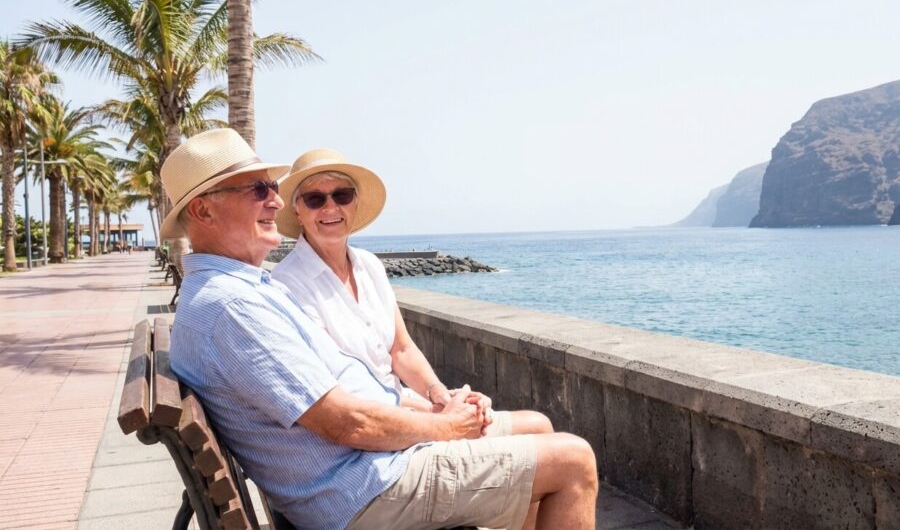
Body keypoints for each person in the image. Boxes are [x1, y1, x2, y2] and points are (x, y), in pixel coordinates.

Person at [161, 129, 598, 530]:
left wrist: (441, 405)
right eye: (259, 189)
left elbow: (373, 375)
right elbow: (348, 422)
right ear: (203, 209)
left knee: (538, 433)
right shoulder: (234, 307)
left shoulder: (241, 291)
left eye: (272, 188)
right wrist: (447, 426)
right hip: (360, 488)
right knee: (573, 461)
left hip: (362, 469)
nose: (274, 201)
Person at [272, 148, 552, 436]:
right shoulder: (288, 284)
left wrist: (440, 394)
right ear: (297, 211)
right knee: (538, 428)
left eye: (341, 195)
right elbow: (339, 388)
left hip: (405, 409)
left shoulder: (369, 266)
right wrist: (438, 415)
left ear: (355, 203)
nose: (330, 207)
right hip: (380, 429)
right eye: (315, 199)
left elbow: (401, 349)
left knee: (538, 425)